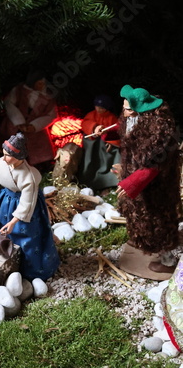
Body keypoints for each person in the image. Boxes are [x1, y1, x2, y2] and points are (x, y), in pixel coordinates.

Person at [0, 132, 60, 281]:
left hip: (24, 208)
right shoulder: (2, 163)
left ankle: (28, 270)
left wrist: (14, 222)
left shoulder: (29, 176)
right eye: (4, 154)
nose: (5, 158)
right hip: (4, 201)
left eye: (9, 156)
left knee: (27, 236)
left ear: (19, 157)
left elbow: (27, 202)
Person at [115, 84, 181, 274]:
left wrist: (132, 181)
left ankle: (167, 260)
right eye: (124, 106)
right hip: (140, 185)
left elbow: (153, 165)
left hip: (156, 188)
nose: (124, 111)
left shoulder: (160, 131)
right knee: (141, 217)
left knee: (159, 221)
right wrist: (125, 169)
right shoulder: (132, 121)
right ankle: (145, 241)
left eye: (127, 108)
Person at [0, 69, 57, 168]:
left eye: (43, 83)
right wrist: (19, 121)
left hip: (36, 129)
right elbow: (9, 103)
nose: (41, 85)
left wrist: (35, 125)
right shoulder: (19, 91)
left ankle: (40, 165)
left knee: (39, 145)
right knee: (12, 143)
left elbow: (51, 115)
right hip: (15, 124)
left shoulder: (47, 97)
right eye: (39, 83)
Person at [77, 94, 120, 191]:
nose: (99, 109)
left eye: (102, 108)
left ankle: (109, 181)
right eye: (97, 107)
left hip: (106, 147)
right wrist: (94, 128)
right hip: (92, 146)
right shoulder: (91, 115)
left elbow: (115, 131)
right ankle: (88, 180)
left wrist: (111, 141)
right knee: (89, 160)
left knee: (112, 157)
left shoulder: (111, 117)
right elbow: (85, 124)